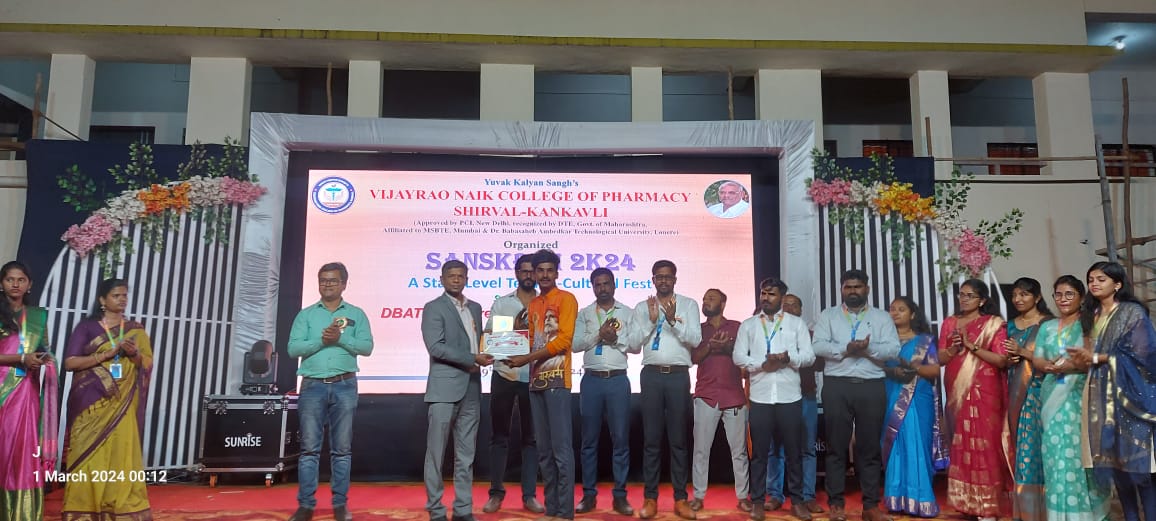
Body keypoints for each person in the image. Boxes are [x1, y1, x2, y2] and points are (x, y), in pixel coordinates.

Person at [1067, 261, 1156, 521]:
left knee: (1141, 469)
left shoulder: (1131, 312)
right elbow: (1090, 355)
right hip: (1098, 394)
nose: (1094, 283)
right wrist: (1081, 360)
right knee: (1117, 467)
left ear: (1117, 284)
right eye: (1091, 279)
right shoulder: (1091, 315)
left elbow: (1145, 355)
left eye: (1101, 279)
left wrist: (1099, 358)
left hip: (1130, 395)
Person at [288, 262, 374, 521]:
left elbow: (367, 347)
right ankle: (305, 505)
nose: (327, 284)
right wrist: (320, 341)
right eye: (323, 280)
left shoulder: (356, 314)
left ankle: (340, 504)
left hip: (345, 385)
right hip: (312, 386)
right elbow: (293, 349)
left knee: (342, 450)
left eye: (333, 280)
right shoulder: (306, 315)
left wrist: (340, 339)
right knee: (309, 450)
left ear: (344, 284)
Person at [61, 278, 153, 521]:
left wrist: (134, 355)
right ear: (102, 300)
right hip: (90, 403)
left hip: (122, 403)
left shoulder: (135, 330)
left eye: (124, 295)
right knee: (88, 455)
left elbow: (145, 364)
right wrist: (107, 354)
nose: (122, 299)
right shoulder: (86, 327)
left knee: (120, 453)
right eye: (116, 295)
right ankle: (84, 508)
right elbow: (70, 363)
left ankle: (119, 508)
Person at [812, 269, 900, 521]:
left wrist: (867, 349)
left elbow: (893, 350)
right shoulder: (828, 315)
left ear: (867, 289)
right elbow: (817, 346)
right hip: (837, 386)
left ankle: (870, 506)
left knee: (869, 448)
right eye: (848, 287)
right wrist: (846, 348)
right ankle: (836, 505)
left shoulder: (881, 317)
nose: (852, 291)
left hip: (871, 386)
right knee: (836, 448)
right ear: (842, 289)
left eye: (857, 287)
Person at [505, 250, 579, 521]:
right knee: (545, 451)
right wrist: (511, 339)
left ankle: (565, 511)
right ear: (534, 274)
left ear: (557, 273)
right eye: (540, 270)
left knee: (561, 450)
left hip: (557, 380)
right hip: (536, 382)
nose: (545, 275)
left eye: (550, 270)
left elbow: (564, 341)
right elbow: (532, 341)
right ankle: (552, 507)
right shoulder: (534, 304)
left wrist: (527, 358)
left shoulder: (566, 299)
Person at [734, 278, 816, 521]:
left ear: (781, 297)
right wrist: (763, 365)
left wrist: (789, 359)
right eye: (763, 293)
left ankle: (797, 502)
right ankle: (758, 502)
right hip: (760, 398)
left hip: (790, 397)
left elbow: (809, 356)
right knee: (760, 454)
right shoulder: (748, 325)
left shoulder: (796, 324)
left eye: (771, 294)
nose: (765, 297)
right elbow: (738, 357)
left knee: (794, 452)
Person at [1031, 275, 1108, 521]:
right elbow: (1037, 358)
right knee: (1055, 455)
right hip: (1051, 392)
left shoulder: (1089, 322)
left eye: (1069, 294)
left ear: (1081, 297)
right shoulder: (1047, 327)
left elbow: (1094, 359)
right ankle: (1058, 514)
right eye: (1058, 294)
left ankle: (1084, 513)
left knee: (1078, 454)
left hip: (1079, 394)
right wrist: (1047, 366)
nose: (1063, 299)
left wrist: (1070, 366)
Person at [632, 260, 702, 520]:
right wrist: (651, 322)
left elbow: (695, 339)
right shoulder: (642, 308)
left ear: (675, 279)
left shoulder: (688, 305)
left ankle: (681, 499)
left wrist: (672, 321)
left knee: (678, 441)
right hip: (651, 376)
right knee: (651, 440)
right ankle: (650, 499)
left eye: (667, 277)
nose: (663, 280)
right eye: (658, 277)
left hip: (678, 376)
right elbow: (632, 344)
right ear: (653, 280)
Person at [422, 259, 491, 521]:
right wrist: (472, 358)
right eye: (451, 276)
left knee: (466, 455)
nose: (456, 279)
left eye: (460, 276)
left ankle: (463, 509)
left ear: (466, 279)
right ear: (441, 279)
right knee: (436, 454)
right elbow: (436, 347)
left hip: (472, 387)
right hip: (443, 390)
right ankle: (436, 509)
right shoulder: (433, 308)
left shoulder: (475, 307)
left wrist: (500, 346)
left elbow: (480, 342)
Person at [938, 278, 1010, 521]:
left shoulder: (993, 323)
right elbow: (940, 358)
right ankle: (967, 502)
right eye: (961, 294)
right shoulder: (950, 323)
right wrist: (953, 349)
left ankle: (987, 506)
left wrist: (972, 346)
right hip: (956, 390)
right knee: (961, 443)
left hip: (984, 390)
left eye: (969, 295)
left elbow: (1001, 360)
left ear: (982, 300)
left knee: (984, 444)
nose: (964, 299)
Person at [572, 268, 640, 516]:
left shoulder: (628, 313)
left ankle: (620, 496)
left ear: (614, 285)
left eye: (606, 283)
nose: (602, 288)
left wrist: (614, 339)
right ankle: (589, 495)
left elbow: (635, 346)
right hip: (591, 381)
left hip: (617, 380)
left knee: (620, 440)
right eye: (598, 284)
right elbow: (575, 345)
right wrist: (598, 334)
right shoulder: (584, 314)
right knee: (588, 441)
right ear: (592, 287)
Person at [482, 255, 544, 515]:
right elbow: (492, 340)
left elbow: (549, 341)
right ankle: (496, 494)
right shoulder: (503, 304)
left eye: (532, 271)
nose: (528, 275)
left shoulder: (545, 303)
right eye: (524, 271)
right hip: (505, 374)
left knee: (532, 438)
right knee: (499, 437)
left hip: (535, 377)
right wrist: (515, 331)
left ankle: (529, 496)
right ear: (517, 273)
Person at [0, 261, 58, 521]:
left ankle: (21, 513)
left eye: (21, 279)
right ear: (1, 284)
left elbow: (45, 349)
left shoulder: (37, 316)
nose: (15, 284)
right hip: (3, 391)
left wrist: (46, 360)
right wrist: (21, 359)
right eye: (9, 279)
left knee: (23, 449)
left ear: (29, 284)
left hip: (26, 392)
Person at [881, 296, 946, 517]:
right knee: (896, 447)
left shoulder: (924, 341)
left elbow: (934, 370)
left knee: (917, 445)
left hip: (918, 399)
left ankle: (921, 500)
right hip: (890, 397)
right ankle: (896, 499)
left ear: (913, 314)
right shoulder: (884, 342)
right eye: (892, 309)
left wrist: (911, 367)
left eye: (901, 309)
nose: (895, 313)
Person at [688, 289, 750, 513]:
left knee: (739, 451)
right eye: (704, 299)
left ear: (723, 303)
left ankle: (743, 497)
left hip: (734, 395)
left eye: (711, 299)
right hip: (706, 395)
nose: (706, 302)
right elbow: (693, 358)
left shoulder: (737, 327)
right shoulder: (698, 329)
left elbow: (745, 356)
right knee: (701, 450)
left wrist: (727, 347)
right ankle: (698, 496)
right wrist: (711, 347)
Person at [766, 294, 825, 514]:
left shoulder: (810, 335)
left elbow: (820, 365)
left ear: (801, 311)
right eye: (785, 305)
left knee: (807, 448)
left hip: (805, 397)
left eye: (794, 305)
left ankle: (808, 496)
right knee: (776, 448)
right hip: (778, 398)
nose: (789, 309)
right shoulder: (771, 334)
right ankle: (775, 494)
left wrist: (800, 352)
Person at [1004, 277, 1053, 521]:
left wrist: (1023, 352)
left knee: (1043, 451)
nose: (1018, 299)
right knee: (1023, 451)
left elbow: (1054, 359)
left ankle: (1049, 509)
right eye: (1015, 295)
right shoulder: (1009, 326)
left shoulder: (1049, 324)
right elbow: (1004, 360)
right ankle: (1027, 512)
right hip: (1016, 394)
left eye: (1024, 294)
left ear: (1038, 297)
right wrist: (1010, 359)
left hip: (1042, 393)